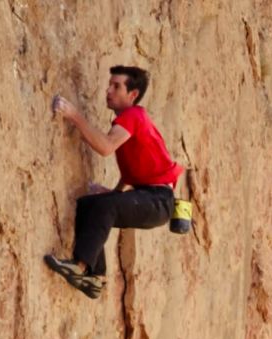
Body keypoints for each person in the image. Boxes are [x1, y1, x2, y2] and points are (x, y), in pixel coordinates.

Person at [45, 65, 183, 299]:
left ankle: (78, 267)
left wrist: (74, 115)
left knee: (105, 206)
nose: (108, 90)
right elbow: (134, 171)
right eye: (110, 84)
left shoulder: (134, 115)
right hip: (149, 197)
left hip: (159, 201)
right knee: (89, 204)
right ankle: (94, 278)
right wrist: (115, 192)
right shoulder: (127, 121)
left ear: (133, 95)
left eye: (116, 86)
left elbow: (106, 148)